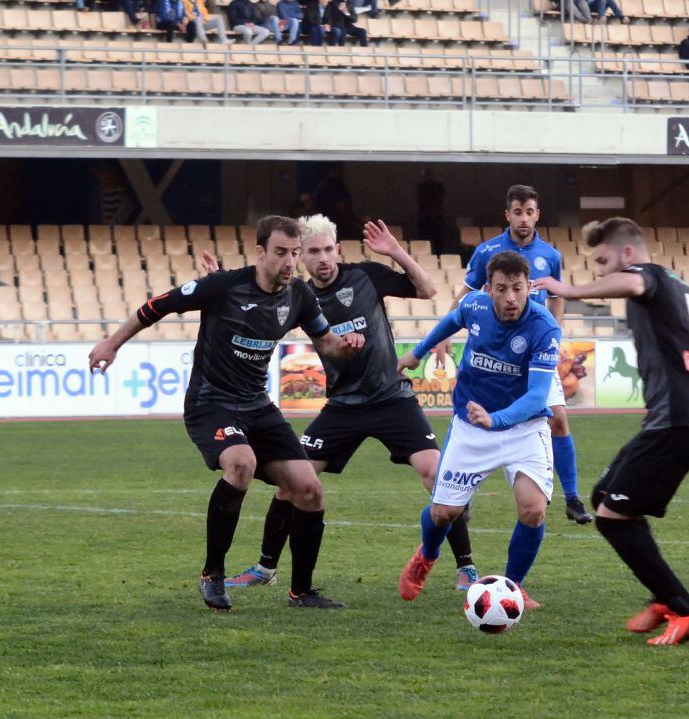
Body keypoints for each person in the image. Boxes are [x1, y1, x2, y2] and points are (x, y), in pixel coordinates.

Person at [88, 216, 365, 612]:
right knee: (241, 462)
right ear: (260, 253)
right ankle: (212, 575)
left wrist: (347, 345)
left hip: (258, 407)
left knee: (309, 490)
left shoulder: (300, 295)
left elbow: (328, 344)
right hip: (211, 403)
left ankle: (301, 592)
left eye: (293, 253)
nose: (289, 262)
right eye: (280, 253)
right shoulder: (223, 286)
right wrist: (112, 344)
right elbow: (154, 307)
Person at [532, 218, 689, 646]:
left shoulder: (648, 277)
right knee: (605, 496)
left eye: (603, 261)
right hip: (679, 421)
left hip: (678, 422)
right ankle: (664, 599)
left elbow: (633, 282)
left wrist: (567, 290)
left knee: (612, 518)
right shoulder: (683, 292)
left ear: (628, 253)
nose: (600, 271)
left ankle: (687, 608)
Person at [224, 215, 481, 592]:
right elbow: (256, 317)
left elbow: (427, 289)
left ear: (338, 250)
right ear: (302, 256)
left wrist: (396, 252)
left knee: (436, 475)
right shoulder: (298, 296)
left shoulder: (365, 276)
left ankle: (466, 567)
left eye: (328, 249)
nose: (323, 258)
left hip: (392, 398)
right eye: (314, 251)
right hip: (342, 406)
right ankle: (264, 569)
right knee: (293, 483)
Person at [396, 251, 562, 608]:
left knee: (533, 509)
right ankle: (427, 555)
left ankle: (512, 588)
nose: (511, 297)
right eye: (502, 289)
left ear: (529, 287)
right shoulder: (474, 306)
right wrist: (419, 351)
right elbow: (451, 319)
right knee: (443, 513)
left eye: (518, 288)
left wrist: (496, 419)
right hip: (471, 426)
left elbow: (536, 397)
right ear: (488, 289)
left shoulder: (544, 327)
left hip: (523, 427)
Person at [437, 185, 593, 525]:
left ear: (538, 215)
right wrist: (444, 333)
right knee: (475, 416)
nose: (524, 218)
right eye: (518, 212)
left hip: (534, 353)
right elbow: (467, 294)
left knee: (558, 418)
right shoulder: (487, 251)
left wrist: (555, 331)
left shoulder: (550, 256)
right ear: (507, 214)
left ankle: (572, 497)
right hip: (496, 351)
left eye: (529, 212)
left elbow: (557, 296)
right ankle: (462, 493)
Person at [416, 168, 448, 253]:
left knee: (439, 240)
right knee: (424, 239)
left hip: (437, 217)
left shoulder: (438, 186)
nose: (428, 176)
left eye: (429, 174)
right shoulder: (421, 187)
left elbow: (440, 198)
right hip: (425, 217)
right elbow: (421, 200)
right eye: (426, 175)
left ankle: (439, 255)